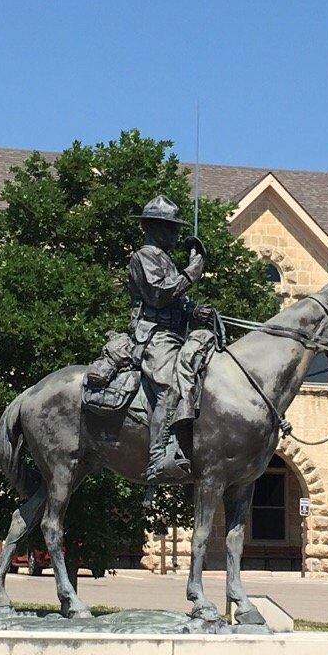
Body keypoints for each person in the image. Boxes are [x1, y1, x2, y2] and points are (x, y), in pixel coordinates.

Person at [129, 194, 206, 501]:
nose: (175, 234)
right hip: (154, 336)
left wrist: (193, 310)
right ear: (153, 227)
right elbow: (159, 295)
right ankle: (158, 457)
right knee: (171, 387)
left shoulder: (165, 259)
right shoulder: (144, 256)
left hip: (175, 333)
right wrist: (191, 273)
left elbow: (175, 300)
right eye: (170, 227)